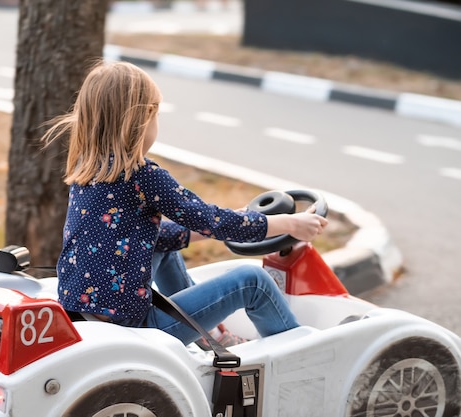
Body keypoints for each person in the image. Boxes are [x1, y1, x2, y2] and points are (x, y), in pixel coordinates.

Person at [42, 60, 328, 347]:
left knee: (163, 245)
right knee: (252, 281)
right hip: (133, 326)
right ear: (142, 120)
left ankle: (208, 336)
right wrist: (291, 223)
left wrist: (224, 223)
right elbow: (212, 221)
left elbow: (135, 235)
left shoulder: (89, 170)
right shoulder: (142, 175)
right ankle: (297, 353)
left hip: (84, 314)